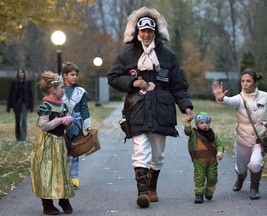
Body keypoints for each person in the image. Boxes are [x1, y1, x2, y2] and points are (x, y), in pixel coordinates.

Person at [108, 7, 193, 208]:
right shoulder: (127, 55)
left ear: (155, 33)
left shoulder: (168, 56)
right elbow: (113, 77)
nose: (146, 34)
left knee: (157, 154)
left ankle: (152, 186)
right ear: (137, 33)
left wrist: (186, 106)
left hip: (161, 110)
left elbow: (178, 84)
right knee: (140, 150)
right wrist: (133, 82)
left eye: (150, 31)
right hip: (136, 109)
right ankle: (143, 192)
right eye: (142, 31)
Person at [212, 68, 267, 200]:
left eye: (248, 81)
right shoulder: (239, 98)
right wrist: (221, 99)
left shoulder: (265, 97)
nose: (245, 83)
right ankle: (240, 178)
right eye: (242, 81)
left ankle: (254, 188)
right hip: (242, 140)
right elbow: (229, 101)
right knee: (241, 168)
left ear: (255, 82)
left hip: (260, 139)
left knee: (255, 163)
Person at [30, 71, 75, 215]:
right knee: (47, 172)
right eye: (62, 87)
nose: (64, 90)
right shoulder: (46, 106)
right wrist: (58, 120)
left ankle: (63, 199)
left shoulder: (62, 106)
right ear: (53, 89)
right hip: (48, 144)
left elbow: (65, 126)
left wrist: (68, 122)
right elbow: (43, 126)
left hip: (60, 143)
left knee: (61, 171)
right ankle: (47, 204)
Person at [62, 62, 92, 190]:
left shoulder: (80, 91)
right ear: (65, 75)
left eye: (76, 75)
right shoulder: (58, 89)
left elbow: (84, 109)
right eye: (72, 74)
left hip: (76, 124)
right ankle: (63, 177)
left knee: (74, 151)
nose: (75, 77)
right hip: (61, 124)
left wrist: (87, 125)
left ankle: (74, 178)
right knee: (62, 151)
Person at [184, 112, 224, 204]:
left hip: (212, 161)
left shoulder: (213, 135)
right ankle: (199, 195)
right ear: (197, 124)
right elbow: (187, 131)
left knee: (212, 178)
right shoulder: (194, 133)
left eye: (207, 122)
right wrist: (187, 122)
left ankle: (209, 191)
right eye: (201, 123)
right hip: (199, 161)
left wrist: (220, 152)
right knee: (199, 177)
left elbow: (219, 144)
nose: (205, 125)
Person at [7, 69, 34, 141]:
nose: (21, 74)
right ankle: (18, 136)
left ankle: (23, 137)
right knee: (17, 120)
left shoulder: (28, 83)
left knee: (24, 119)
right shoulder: (14, 82)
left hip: (25, 103)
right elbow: (10, 94)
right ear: (17, 74)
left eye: (22, 72)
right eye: (19, 72)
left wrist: (31, 106)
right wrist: (8, 106)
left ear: (24, 74)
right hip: (16, 103)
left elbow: (31, 95)